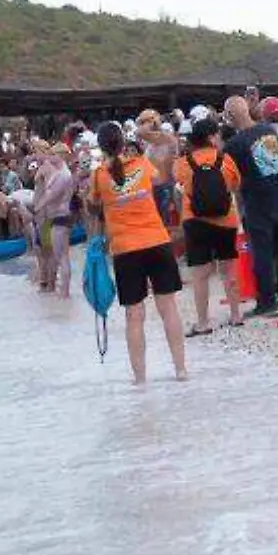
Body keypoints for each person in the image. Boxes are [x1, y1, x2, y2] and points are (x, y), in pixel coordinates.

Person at [90, 121, 188, 384]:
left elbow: (93, 205)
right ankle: (180, 370)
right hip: (157, 241)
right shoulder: (143, 166)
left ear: (101, 148)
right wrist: (153, 135)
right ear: (123, 144)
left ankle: (140, 380)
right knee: (168, 307)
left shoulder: (99, 175)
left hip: (126, 249)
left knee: (134, 315)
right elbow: (163, 172)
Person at [222, 96, 278, 317]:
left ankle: (267, 300)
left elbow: (233, 180)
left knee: (262, 252)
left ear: (230, 117)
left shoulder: (233, 145)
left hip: (257, 199)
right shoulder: (268, 131)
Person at [174, 117, 244, 334]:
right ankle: (235, 315)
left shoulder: (183, 163)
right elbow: (235, 185)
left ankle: (203, 322)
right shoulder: (226, 159)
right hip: (226, 220)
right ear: (212, 137)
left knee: (200, 274)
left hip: (195, 221)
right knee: (228, 269)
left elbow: (181, 187)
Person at [32, 147, 77, 294]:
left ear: (61, 156)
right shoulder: (60, 173)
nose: (50, 157)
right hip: (60, 216)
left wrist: (37, 207)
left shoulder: (62, 175)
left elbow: (51, 195)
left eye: (53, 154)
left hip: (59, 216)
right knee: (61, 255)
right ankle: (63, 290)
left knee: (61, 256)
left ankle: (65, 292)